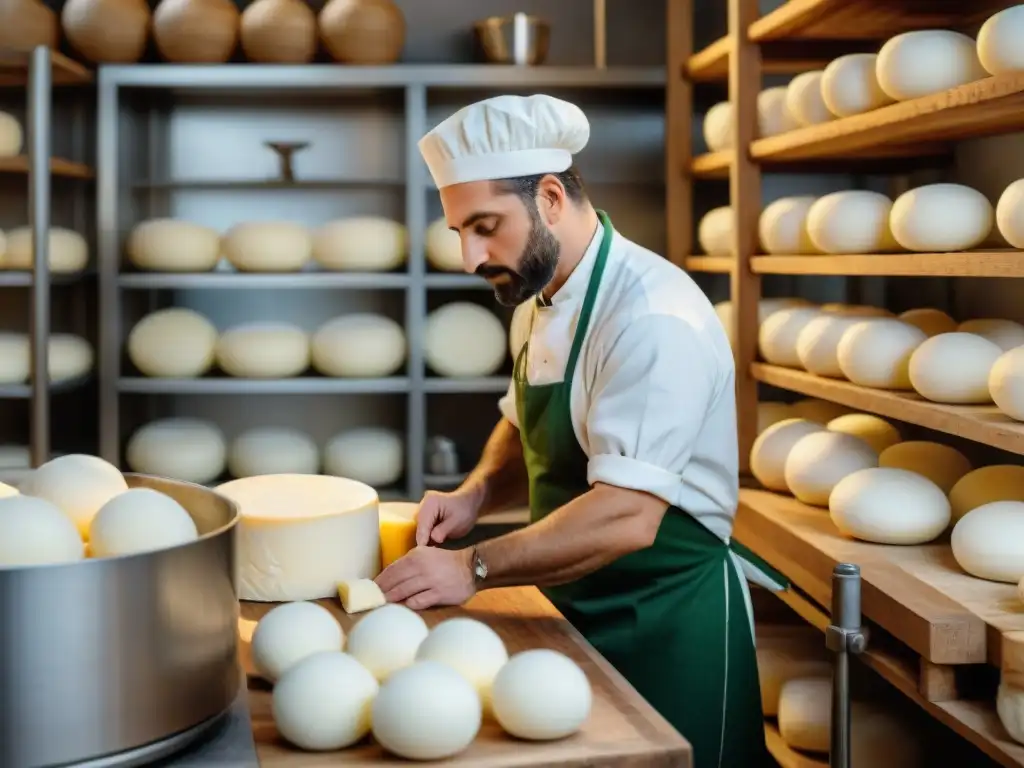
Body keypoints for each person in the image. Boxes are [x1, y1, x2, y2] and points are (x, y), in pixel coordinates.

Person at [374, 93, 785, 768]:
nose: (469, 257)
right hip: (569, 603)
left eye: (485, 226)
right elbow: (520, 419)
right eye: (458, 233)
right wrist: (475, 495)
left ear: (551, 196)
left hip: (665, 619)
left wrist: (473, 565)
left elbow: (626, 515)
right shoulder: (539, 297)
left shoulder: (653, 317)